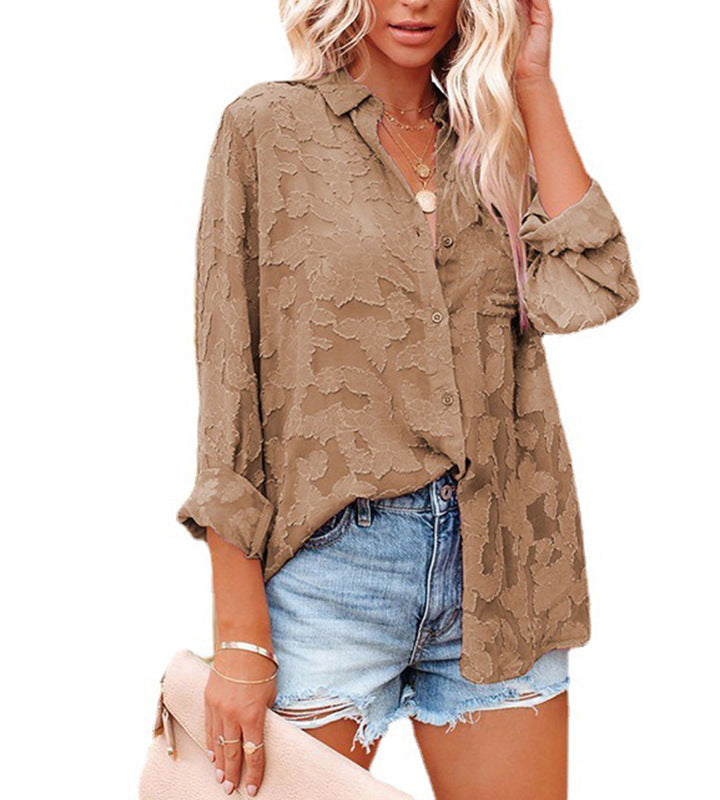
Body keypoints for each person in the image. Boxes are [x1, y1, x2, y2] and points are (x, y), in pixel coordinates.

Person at [175, 1, 639, 797]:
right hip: (329, 572)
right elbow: (228, 387)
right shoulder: (266, 129)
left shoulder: (494, 141)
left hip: (503, 573)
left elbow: (594, 285)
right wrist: (241, 637)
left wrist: (532, 80)